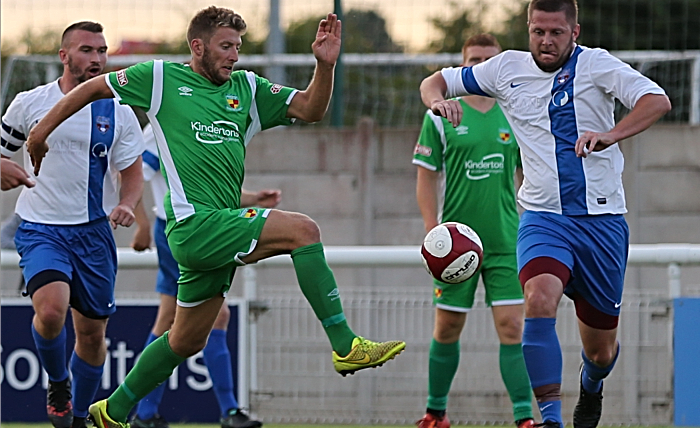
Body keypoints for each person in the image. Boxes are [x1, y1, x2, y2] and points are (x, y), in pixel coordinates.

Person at [25, 7, 405, 428]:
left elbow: (311, 109)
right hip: (194, 226)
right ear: (198, 46)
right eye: (226, 47)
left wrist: (324, 66)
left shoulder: (246, 87)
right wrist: (41, 132)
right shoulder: (162, 79)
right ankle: (345, 343)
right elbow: (93, 88)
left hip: (217, 228)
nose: (234, 56)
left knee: (185, 340)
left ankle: (112, 411)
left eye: (239, 47)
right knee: (303, 230)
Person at [419, 1, 671, 428]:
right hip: (542, 217)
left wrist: (611, 134)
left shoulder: (598, 65)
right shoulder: (505, 69)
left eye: (555, 32)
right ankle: (549, 419)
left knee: (600, 351)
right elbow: (434, 81)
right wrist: (437, 103)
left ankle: (592, 386)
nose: (546, 41)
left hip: (601, 222)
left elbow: (656, 100)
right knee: (537, 299)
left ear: (574, 31)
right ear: (528, 30)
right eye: (538, 31)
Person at [0, 21, 144, 428]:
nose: (97, 58)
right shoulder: (29, 102)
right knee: (50, 311)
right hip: (40, 227)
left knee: (93, 337)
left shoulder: (118, 111)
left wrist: (129, 204)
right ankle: (58, 382)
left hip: (93, 233)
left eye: (102, 50)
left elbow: (131, 174)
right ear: (64, 56)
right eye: (87, 50)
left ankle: (79, 416)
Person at [413, 34, 533, 428]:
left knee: (513, 327)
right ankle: (435, 413)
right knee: (447, 326)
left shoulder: (515, 113)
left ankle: (523, 417)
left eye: (488, 60)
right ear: (462, 66)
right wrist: (433, 233)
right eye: (473, 60)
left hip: (506, 241)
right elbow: (426, 178)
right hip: (455, 249)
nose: (481, 66)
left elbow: (525, 175)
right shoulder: (440, 115)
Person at [128, 124, 276, 428]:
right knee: (215, 316)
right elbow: (133, 176)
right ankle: (229, 411)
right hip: (178, 232)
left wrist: (252, 198)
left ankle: (146, 413)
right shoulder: (161, 123)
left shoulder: (192, 114)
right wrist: (140, 224)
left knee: (169, 319)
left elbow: (197, 184)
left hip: (196, 228)